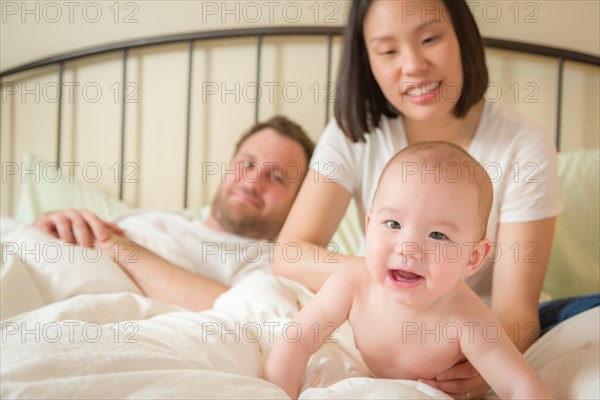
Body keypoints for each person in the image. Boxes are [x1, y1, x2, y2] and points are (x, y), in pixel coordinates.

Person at [271, 0, 588, 398]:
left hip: (469, 331)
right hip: (370, 314)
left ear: (462, 36)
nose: (413, 65)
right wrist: (387, 273)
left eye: (430, 38)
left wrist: (482, 363)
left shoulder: (522, 145)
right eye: (388, 50)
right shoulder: (355, 132)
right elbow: (289, 254)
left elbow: (515, 309)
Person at [265, 142, 554, 400]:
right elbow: (297, 340)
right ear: (369, 227)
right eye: (393, 224)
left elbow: (520, 387)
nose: (409, 248)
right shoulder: (351, 285)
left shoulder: (469, 319)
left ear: (473, 257)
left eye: (438, 235)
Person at [34, 115, 315, 311]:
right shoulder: (155, 218)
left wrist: (120, 247)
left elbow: (244, 313)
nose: (252, 182)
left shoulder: (271, 263)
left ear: (299, 200)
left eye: (277, 177)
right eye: (247, 163)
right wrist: (52, 223)